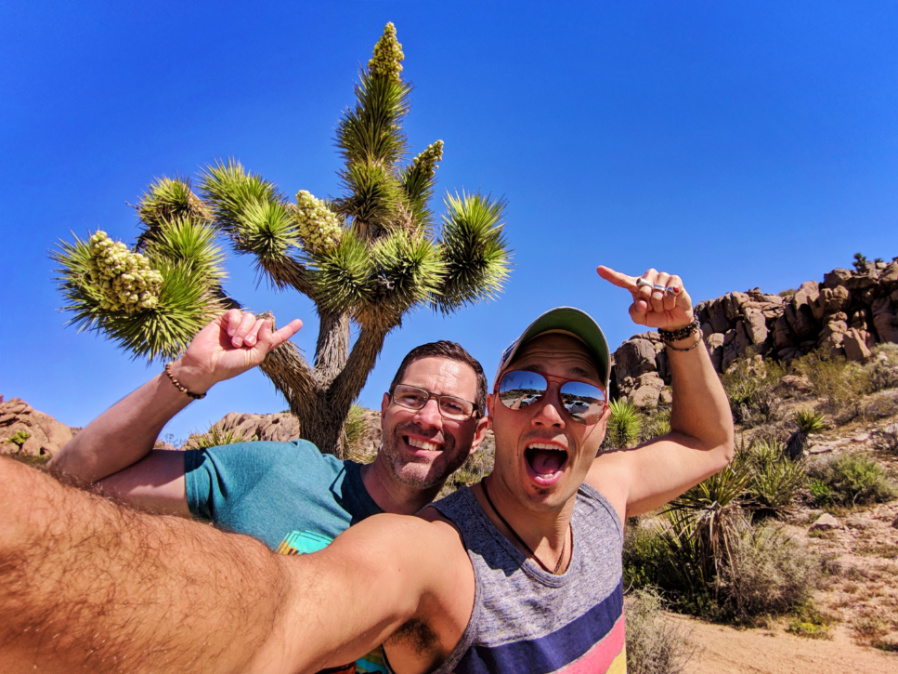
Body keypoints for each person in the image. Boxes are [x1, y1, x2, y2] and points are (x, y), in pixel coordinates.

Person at [2, 265, 734, 674]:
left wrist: (681, 331)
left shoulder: (604, 498)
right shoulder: (428, 548)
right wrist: (185, 380)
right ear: (381, 409)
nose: (549, 410)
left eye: (577, 396)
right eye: (523, 389)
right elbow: (280, 614)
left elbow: (709, 444)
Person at [47, 311, 489, 674]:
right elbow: (69, 480)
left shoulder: (468, 557)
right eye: (413, 397)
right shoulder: (278, 471)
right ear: (386, 406)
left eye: (452, 406)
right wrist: (189, 376)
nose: (428, 418)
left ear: (478, 434)